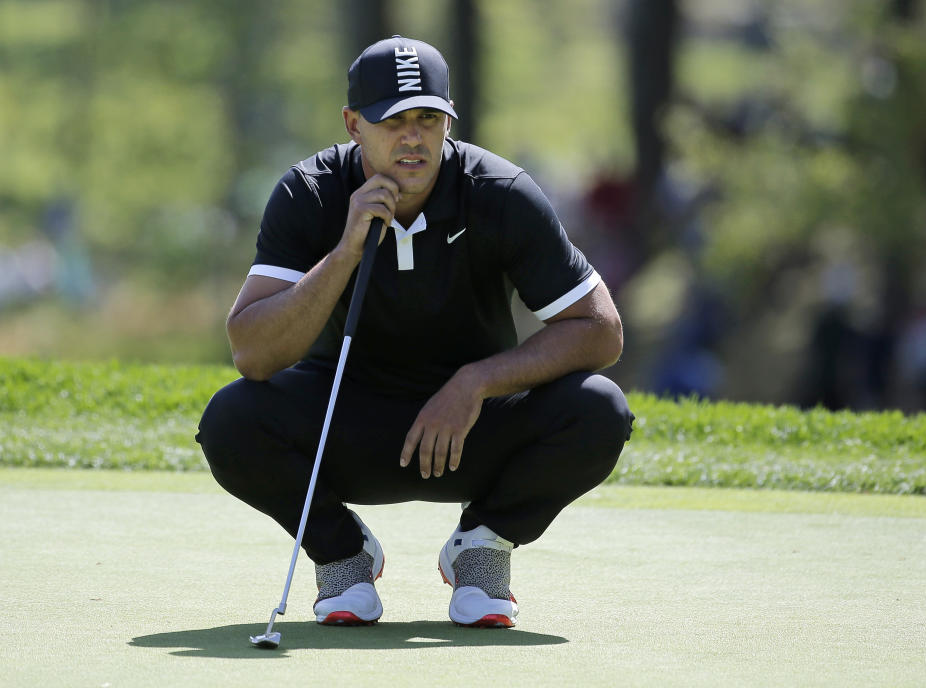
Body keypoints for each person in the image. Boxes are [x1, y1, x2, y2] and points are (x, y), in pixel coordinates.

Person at [197, 35, 634, 629]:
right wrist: (346, 250)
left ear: (448, 123)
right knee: (230, 420)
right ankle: (342, 555)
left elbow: (601, 331)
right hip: (345, 428)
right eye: (392, 120)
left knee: (599, 409)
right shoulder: (310, 193)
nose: (413, 137)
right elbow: (252, 353)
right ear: (353, 123)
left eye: (429, 119)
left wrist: (477, 381)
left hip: (470, 426)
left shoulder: (499, 194)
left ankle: (483, 546)